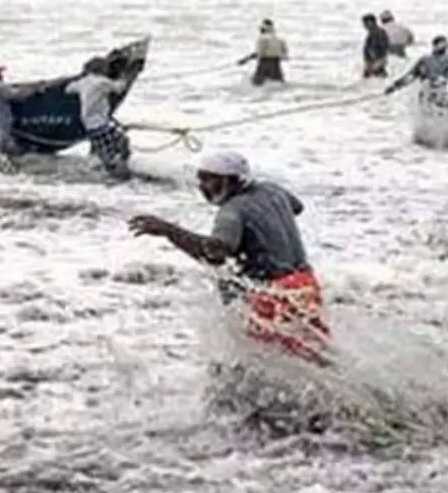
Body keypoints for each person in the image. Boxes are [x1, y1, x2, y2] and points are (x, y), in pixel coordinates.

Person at [128, 151, 330, 366]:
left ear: (231, 180)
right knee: (317, 355)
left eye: (208, 179)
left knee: (267, 363)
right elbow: (297, 207)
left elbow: (216, 252)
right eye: (200, 178)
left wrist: (169, 231)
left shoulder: (231, 211)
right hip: (305, 284)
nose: (202, 186)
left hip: (273, 296)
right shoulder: (273, 190)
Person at [65, 57, 133, 178]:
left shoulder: (83, 82)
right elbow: (120, 88)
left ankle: (106, 167)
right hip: (99, 124)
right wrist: (126, 75)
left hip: (90, 124)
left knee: (117, 143)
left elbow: (68, 89)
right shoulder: (102, 82)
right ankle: (114, 172)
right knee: (118, 146)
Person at [385, 35, 448, 117]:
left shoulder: (424, 60)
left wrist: (394, 86)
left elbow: (410, 77)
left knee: (427, 116)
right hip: (439, 92)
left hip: (426, 93)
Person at [237, 19, 288, 86]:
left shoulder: (262, 39)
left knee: (256, 85)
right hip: (276, 65)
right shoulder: (280, 40)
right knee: (280, 85)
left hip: (264, 64)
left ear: (263, 29)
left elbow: (259, 53)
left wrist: (246, 59)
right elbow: (285, 54)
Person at [361, 14, 391, 78]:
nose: (364, 26)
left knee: (373, 76)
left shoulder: (377, 32)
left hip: (377, 60)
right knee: (378, 76)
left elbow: (381, 47)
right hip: (375, 61)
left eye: (365, 23)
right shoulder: (373, 33)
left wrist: (373, 62)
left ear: (370, 22)